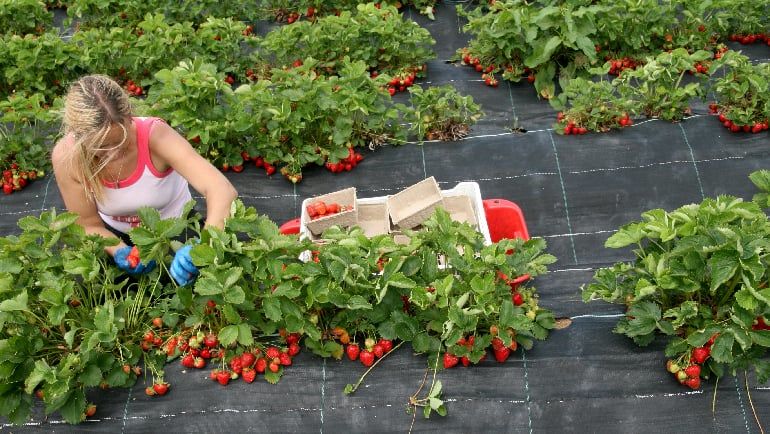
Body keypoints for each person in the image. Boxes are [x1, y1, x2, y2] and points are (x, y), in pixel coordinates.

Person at [51, 74, 238, 286]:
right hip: (115, 233)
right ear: (78, 138)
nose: (113, 154)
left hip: (175, 226)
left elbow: (221, 189)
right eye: (101, 148)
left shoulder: (155, 136)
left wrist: (204, 245)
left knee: (204, 282)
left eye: (120, 142)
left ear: (129, 117)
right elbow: (87, 224)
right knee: (92, 288)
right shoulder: (67, 156)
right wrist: (119, 250)